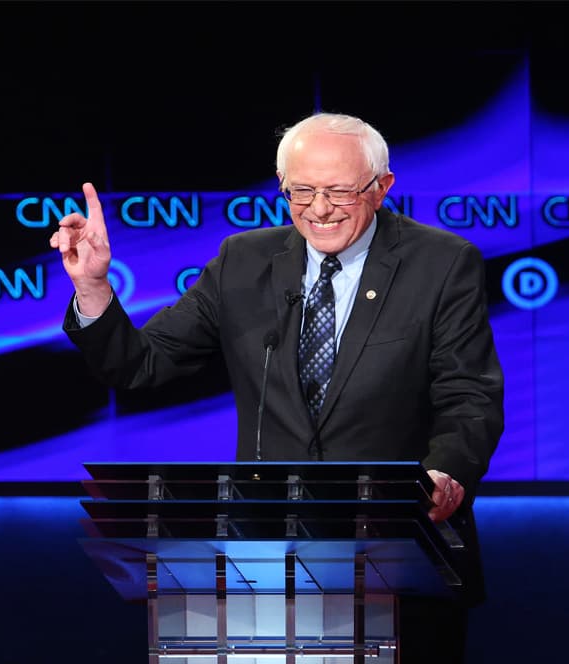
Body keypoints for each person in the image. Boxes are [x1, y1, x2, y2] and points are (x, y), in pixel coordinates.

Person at [50, 112, 503, 663]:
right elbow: (142, 364)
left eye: (339, 191)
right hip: (265, 558)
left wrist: (447, 471)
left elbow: (470, 394)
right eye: (301, 191)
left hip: (397, 551)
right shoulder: (243, 261)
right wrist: (93, 287)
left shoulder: (441, 263)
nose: (319, 209)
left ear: (382, 187)